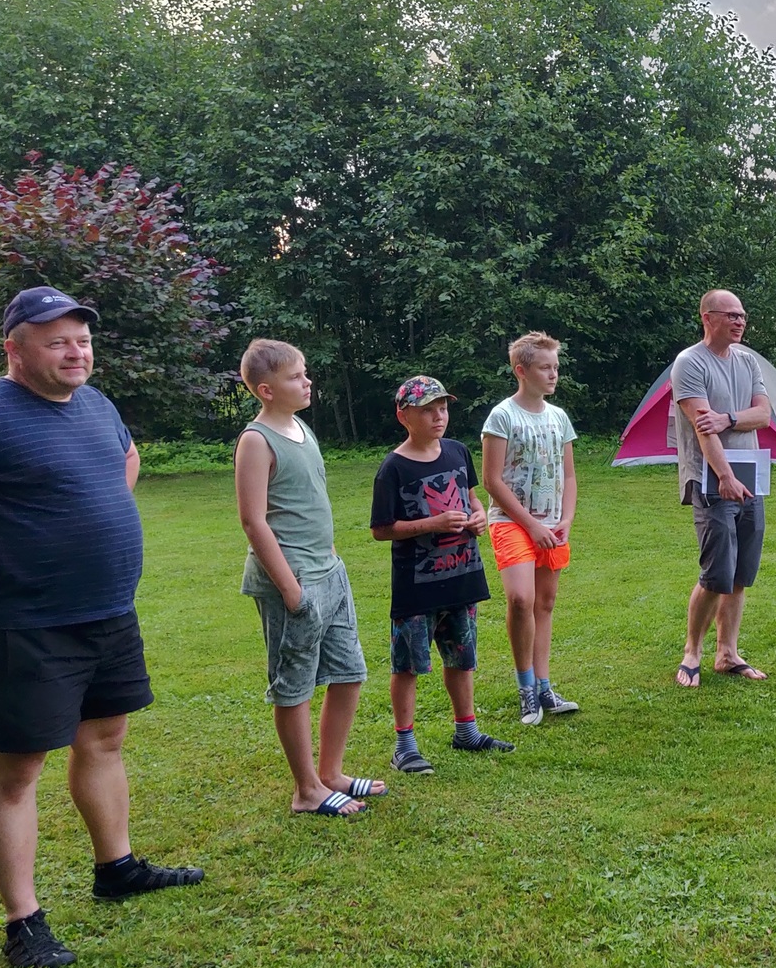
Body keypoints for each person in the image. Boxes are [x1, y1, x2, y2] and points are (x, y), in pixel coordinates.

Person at [0, 286, 201, 968]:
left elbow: (125, 456)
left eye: (82, 339)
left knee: (105, 741)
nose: (75, 351)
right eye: (57, 341)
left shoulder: (95, 404)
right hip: (26, 623)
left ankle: (116, 867)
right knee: (17, 771)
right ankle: (21, 922)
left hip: (108, 611)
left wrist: (98, 506)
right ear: (15, 348)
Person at [234, 339, 377, 816]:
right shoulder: (256, 441)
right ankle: (307, 790)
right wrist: (292, 591)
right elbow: (253, 521)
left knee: (349, 673)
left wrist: (333, 558)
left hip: (329, 573)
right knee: (294, 686)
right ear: (266, 390)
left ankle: (330, 774)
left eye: (305, 372)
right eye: (296, 376)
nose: (307, 381)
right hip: (292, 582)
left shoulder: (300, 427)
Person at [370, 375, 507, 772]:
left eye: (443, 408)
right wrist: (432, 524)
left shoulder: (457, 451)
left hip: (463, 577)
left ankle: (467, 731)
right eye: (427, 410)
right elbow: (381, 529)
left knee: (462, 658)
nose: (439, 416)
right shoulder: (393, 468)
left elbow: (471, 497)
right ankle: (404, 746)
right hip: (417, 587)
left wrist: (479, 517)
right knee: (407, 664)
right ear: (403, 416)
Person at [673, 290, 774, 684]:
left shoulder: (747, 361)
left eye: (742, 315)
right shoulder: (690, 362)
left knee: (740, 574)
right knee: (717, 572)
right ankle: (692, 652)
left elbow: (763, 415)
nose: (739, 321)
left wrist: (729, 418)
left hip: (750, 475)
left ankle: (727, 653)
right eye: (731, 315)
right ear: (708, 318)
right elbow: (704, 429)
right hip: (710, 477)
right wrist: (725, 477)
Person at [481, 333, 581, 726]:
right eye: (545, 367)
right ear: (521, 371)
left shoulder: (559, 418)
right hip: (512, 523)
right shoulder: (502, 416)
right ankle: (526, 687)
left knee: (545, 604)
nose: (553, 374)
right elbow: (492, 480)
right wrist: (532, 524)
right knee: (521, 599)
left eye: (555, 367)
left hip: (553, 526)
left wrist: (566, 519)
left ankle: (544, 686)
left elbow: (569, 476)